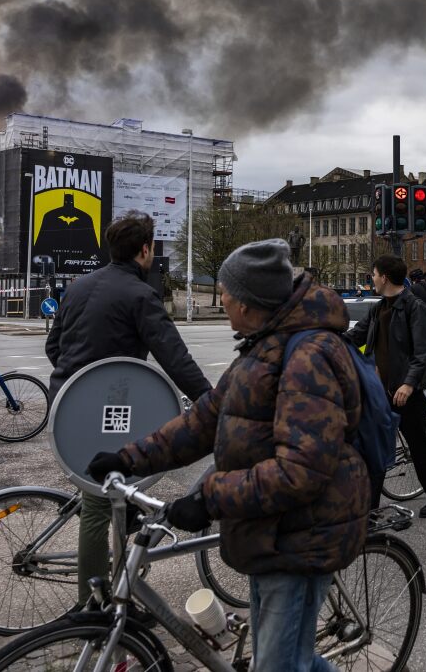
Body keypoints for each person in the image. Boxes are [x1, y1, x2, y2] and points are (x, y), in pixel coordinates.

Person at [86, 239, 366, 672]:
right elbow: (204, 419)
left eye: (225, 293)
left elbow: (300, 470)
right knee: (288, 658)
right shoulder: (263, 344)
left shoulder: (308, 356)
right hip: (269, 532)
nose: (220, 300)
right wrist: (130, 458)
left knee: (278, 664)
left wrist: (209, 499)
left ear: (249, 303)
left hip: (302, 535)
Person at [45, 212, 213, 607]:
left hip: (68, 408)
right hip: (109, 410)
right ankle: (98, 604)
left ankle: (117, 581)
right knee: (100, 501)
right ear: (145, 250)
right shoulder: (140, 295)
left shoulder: (80, 286)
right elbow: (175, 358)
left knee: (110, 494)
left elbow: (54, 348)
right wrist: (212, 401)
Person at [348, 255, 426, 518]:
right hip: (381, 390)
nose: (371, 280)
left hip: (407, 391)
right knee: (375, 446)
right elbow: (355, 336)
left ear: (384, 277)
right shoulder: (378, 308)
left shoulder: (415, 308)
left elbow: (423, 352)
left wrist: (408, 384)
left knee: (419, 445)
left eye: (373, 275)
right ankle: (369, 507)